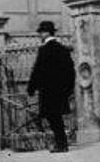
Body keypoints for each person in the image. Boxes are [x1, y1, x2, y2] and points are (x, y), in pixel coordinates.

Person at [27, 20, 76, 153]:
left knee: (53, 117)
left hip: (48, 90)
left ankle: (61, 144)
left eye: (41, 32)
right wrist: (68, 89)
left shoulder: (44, 50)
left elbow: (37, 70)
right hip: (60, 90)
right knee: (56, 117)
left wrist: (31, 87)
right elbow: (70, 71)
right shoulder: (62, 49)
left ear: (47, 33)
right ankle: (62, 143)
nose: (40, 35)